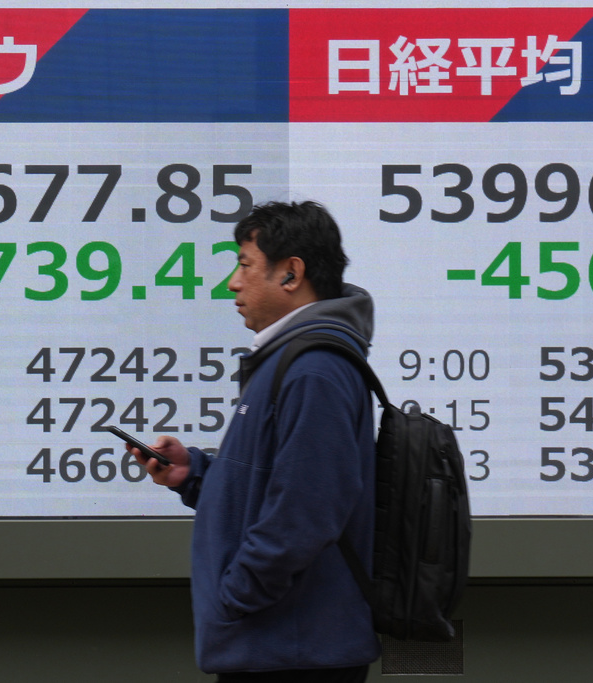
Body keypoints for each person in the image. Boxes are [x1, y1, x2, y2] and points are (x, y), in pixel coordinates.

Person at [132, 201, 380, 681]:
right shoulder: (294, 361)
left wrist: (237, 595)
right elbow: (273, 487)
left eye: (245, 265)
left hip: (290, 650)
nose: (233, 282)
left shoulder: (315, 370)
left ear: (291, 274)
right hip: (280, 645)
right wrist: (195, 474)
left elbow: (307, 510)